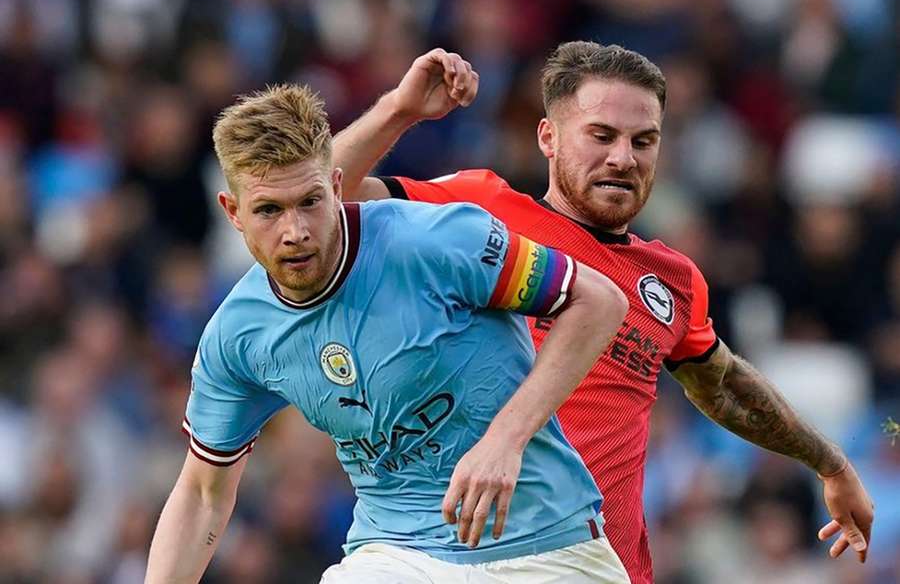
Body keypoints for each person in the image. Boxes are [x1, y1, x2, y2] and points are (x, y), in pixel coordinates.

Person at [333, 43, 876, 583]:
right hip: (463, 554)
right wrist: (398, 111)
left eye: (644, 141)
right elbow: (315, 204)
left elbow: (724, 385)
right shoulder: (478, 211)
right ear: (548, 137)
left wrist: (831, 463)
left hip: (598, 565)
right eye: (601, 136)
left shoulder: (673, 279)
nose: (624, 157)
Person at [144, 81, 633, 583]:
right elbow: (203, 495)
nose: (295, 231)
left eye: (309, 201)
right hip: (396, 554)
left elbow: (599, 301)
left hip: (547, 545)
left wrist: (505, 439)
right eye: (269, 209)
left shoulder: (435, 240)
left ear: (336, 187)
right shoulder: (237, 336)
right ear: (232, 212)